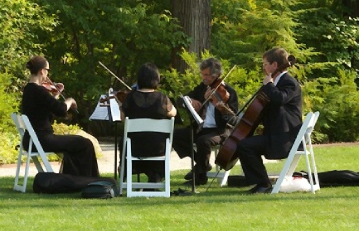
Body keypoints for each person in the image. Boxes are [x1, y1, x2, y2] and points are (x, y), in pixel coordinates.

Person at [236, 47, 303, 194]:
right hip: (275, 136)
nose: (263, 67)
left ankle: (263, 184)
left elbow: (280, 99)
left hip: (284, 138)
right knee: (244, 145)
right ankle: (262, 183)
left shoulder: (288, 82)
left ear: (275, 65)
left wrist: (269, 85)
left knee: (245, 146)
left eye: (265, 64)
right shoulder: (275, 83)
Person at [21, 55, 99, 177]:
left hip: (31, 140)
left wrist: (56, 95)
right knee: (85, 143)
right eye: (47, 70)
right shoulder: (39, 90)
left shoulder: (29, 89)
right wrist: (70, 100)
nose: (47, 74)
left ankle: (74, 178)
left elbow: (46, 112)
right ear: (42, 71)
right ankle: (84, 180)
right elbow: (61, 110)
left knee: (78, 143)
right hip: (42, 139)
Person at [173, 58, 239, 186]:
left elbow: (233, 120)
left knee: (203, 141)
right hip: (201, 128)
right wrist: (191, 101)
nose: (204, 78)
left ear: (217, 75)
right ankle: (201, 163)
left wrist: (222, 109)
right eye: (202, 74)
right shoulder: (202, 88)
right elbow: (180, 100)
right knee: (175, 135)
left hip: (220, 130)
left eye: (207, 75)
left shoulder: (230, 92)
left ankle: (200, 177)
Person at [121, 62, 177, 183]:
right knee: (155, 141)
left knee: (124, 141)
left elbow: (123, 120)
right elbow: (173, 113)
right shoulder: (162, 98)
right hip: (159, 149)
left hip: (134, 148)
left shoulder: (130, 98)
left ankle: (126, 172)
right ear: (156, 79)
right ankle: (156, 174)